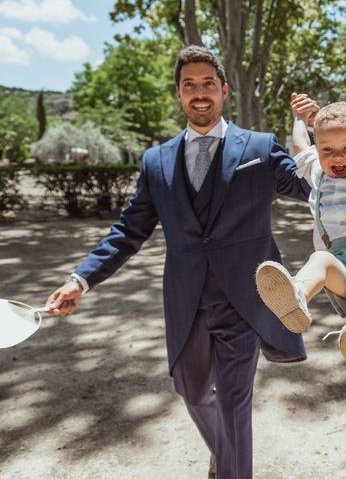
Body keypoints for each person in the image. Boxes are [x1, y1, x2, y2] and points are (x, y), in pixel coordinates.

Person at [44, 45, 311, 479]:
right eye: (190, 85)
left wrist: (322, 135)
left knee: (233, 403)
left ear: (224, 90)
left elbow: (311, 186)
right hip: (186, 302)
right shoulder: (156, 162)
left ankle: (231, 467)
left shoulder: (260, 148)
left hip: (245, 301)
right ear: (179, 94)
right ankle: (224, 453)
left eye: (208, 84)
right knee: (191, 393)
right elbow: (129, 231)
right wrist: (80, 279)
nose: (199, 93)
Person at [255, 75, 346, 390]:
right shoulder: (316, 171)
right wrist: (299, 118)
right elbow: (299, 145)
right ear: (318, 147)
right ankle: (296, 296)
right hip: (340, 265)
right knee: (319, 258)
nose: (337, 156)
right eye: (328, 149)